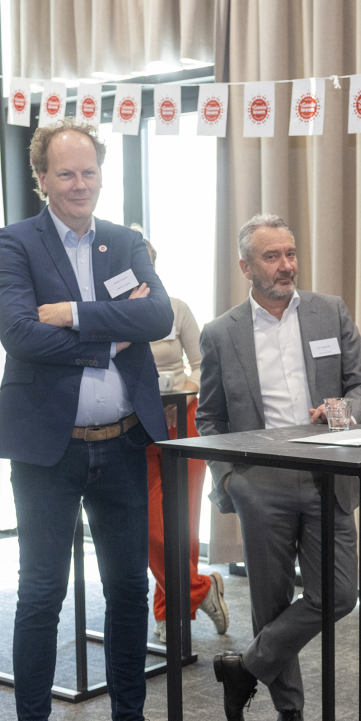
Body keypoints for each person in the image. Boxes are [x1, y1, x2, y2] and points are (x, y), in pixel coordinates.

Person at [0, 117, 177, 721]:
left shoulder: (123, 241)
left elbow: (158, 318)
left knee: (128, 590)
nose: (78, 184)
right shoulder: (16, 242)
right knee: (42, 595)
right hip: (49, 450)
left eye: (88, 171)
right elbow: (18, 333)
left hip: (122, 443)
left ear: (102, 174)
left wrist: (70, 311)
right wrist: (108, 335)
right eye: (64, 173)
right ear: (41, 178)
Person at [200, 215, 361, 721]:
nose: (286, 266)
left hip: (328, 473)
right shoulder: (221, 332)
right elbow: (210, 418)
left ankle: (244, 668)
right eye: (272, 256)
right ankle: (290, 713)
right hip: (261, 480)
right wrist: (232, 480)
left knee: (339, 593)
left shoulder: (330, 311)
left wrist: (343, 411)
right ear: (245, 266)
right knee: (271, 599)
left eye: (291, 253)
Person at [138, 229, 229, 643]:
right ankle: (199, 588)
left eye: (146, 263)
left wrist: (185, 393)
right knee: (150, 526)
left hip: (183, 420)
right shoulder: (110, 313)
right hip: (136, 425)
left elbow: (202, 363)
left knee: (182, 522)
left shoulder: (176, 308)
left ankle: (169, 610)